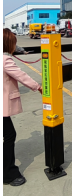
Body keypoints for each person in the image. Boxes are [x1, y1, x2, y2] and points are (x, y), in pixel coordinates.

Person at [3, 28, 42, 186]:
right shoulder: (5, 60)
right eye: (14, 43)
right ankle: (8, 174)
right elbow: (21, 75)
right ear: (9, 44)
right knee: (10, 136)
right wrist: (38, 87)